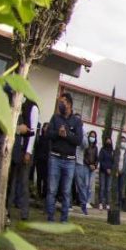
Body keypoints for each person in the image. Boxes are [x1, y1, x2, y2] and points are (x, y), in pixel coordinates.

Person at [45, 93, 83, 223]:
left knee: (66, 192)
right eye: (60, 102)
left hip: (70, 160)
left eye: (63, 102)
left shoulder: (76, 121)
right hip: (55, 157)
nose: (60, 105)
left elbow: (79, 140)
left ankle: (64, 220)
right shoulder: (55, 118)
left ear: (69, 104)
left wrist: (66, 135)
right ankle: (50, 219)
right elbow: (48, 134)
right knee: (52, 190)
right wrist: (58, 133)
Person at [8, 95, 38, 222]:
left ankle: (24, 212)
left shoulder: (32, 107)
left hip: (25, 150)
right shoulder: (13, 103)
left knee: (24, 182)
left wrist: (28, 152)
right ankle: (6, 210)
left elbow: (33, 132)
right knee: (11, 182)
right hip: (14, 150)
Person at [96, 131, 114, 211]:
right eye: (107, 140)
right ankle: (100, 203)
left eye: (109, 140)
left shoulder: (112, 151)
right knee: (102, 187)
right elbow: (101, 160)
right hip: (103, 171)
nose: (108, 141)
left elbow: (114, 162)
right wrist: (106, 168)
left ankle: (107, 204)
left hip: (110, 172)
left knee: (108, 188)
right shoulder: (102, 150)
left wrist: (111, 169)